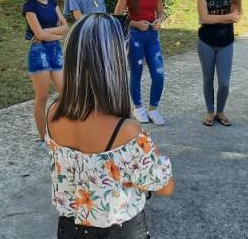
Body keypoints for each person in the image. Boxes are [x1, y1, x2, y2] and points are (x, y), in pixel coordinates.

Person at [46, 13, 174, 238]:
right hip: (120, 230)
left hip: (69, 228)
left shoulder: (54, 112)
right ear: (117, 57)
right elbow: (165, 187)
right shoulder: (127, 132)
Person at [21, 0, 68, 147]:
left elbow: (65, 27)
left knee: (66, 93)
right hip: (39, 55)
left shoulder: (52, 3)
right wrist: (52, 33)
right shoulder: (29, 7)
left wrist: (48, 31)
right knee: (42, 97)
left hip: (55, 50)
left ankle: (60, 129)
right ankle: (44, 138)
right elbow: (38, 35)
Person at [114, 0, 166, 125]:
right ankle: (138, 107)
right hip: (135, 35)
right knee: (136, 72)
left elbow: (160, 12)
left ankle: (153, 109)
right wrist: (136, 23)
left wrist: (159, 21)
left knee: (158, 74)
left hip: (152, 36)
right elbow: (117, 16)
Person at [197, 0, 242, 127]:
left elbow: (236, 17)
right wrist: (226, 17)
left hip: (226, 43)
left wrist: (215, 19)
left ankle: (220, 111)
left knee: (224, 82)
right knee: (208, 79)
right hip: (206, 42)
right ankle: (210, 111)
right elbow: (204, 18)